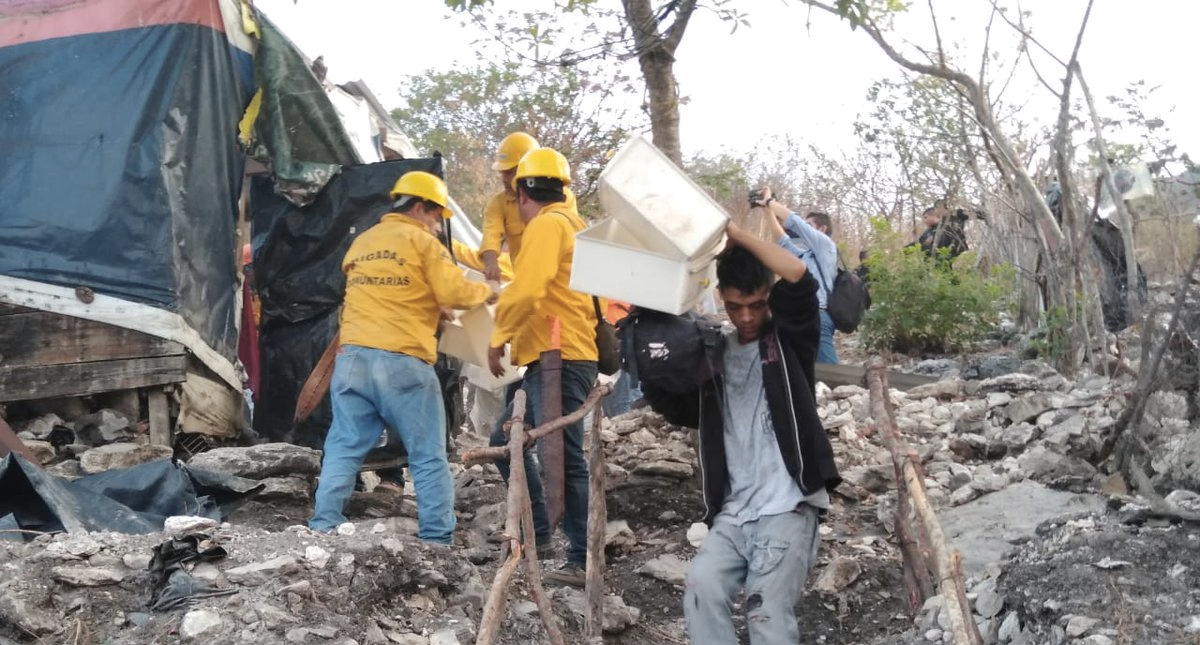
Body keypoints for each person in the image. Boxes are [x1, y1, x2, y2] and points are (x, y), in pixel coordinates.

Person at [641, 219, 841, 645]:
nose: (746, 316)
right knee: (700, 590)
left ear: (769, 299)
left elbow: (798, 277)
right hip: (734, 512)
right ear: (721, 299)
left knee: (766, 612)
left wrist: (733, 234)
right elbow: (679, 407)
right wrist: (650, 365)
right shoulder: (713, 356)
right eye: (735, 306)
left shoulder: (789, 343)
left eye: (756, 304)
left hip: (787, 506)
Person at [310, 171, 500, 543]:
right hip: (402, 361)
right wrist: (489, 291)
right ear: (419, 207)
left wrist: (432, 308)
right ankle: (437, 539)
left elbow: (386, 289)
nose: (435, 225)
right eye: (434, 216)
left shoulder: (365, 242)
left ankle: (323, 525)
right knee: (427, 455)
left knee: (344, 447)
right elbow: (455, 291)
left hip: (352, 360)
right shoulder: (422, 242)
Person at [486, 147, 598, 587]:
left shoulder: (547, 226)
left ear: (522, 192)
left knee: (564, 456)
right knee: (505, 439)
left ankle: (581, 557)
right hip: (557, 354)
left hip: (558, 355)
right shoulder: (573, 223)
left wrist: (498, 337)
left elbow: (528, 289)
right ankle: (544, 534)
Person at [752, 187, 840, 364]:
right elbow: (781, 241)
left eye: (809, 226)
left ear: (822, 229)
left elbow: (794, 222)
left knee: (831, 372)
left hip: (819, 315)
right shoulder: (806, 256)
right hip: (802, 315)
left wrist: (770, 201)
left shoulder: (826, 246)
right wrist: (767, 211)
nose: (802, 230)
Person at [479, 132, 541, 282]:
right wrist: (491, 264)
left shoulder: (562, 197)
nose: (504, 179)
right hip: (524, 280)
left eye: (510, 172)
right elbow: (491, 234)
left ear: (530, 168)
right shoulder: (498, 203)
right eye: (502, 173)